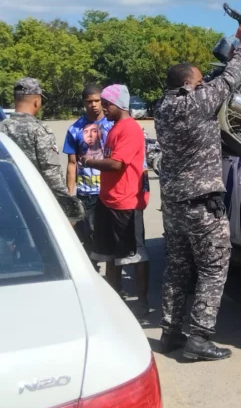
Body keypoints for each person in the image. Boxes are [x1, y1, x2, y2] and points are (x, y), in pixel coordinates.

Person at [154, 22, 241, 361]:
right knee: (213, 267)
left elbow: (210, 86)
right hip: (201, 205)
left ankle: (170, 332)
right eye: (199, 81)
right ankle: (199, 337)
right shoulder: (195, 103)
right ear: (187, 84)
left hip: (175, 204)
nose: (203, 84)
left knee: (177, 269)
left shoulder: (162, 108)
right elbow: (230, 78)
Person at [81, 84, 150, 317]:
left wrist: (88, 162)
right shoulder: (114, 128)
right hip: (108, 200)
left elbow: (117, 164)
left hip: (127, 202)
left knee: (136, 254)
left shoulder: (129, 129)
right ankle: (114, 299)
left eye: (107, 103)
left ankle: (141, 302)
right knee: (110, 254)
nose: (103, 107)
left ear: (118, 104)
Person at [64, 84, 114, 259]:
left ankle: (113, 277)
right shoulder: (75, 129)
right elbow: (71, 163)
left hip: (111, 189)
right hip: (87, 192)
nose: (93, 105)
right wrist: (69, 195)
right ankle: (91, 268)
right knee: (90, 234)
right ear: (84, 103)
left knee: (112, 235)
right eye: (89, 101)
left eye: (97, 100)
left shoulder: (113, 125)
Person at [0, 78, 68, 200]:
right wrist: (67, 205)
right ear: (37, 101)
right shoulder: (39, 130)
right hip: (36, 201)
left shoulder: (1, 128)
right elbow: (52, 174)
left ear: (15, 100)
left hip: (7, 198)